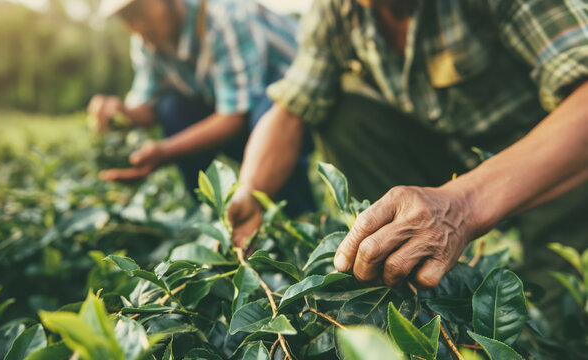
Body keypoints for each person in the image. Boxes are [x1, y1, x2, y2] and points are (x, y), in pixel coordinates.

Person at [228, 0, 588, 294]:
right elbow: (293, 105)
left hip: (550, 159)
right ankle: (407, 272)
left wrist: (463, 204)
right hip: (450, 156)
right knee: (345, 115)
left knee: (557, 309)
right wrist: (248, 193)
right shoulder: (339, 10)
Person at [89, 0, 316, 215]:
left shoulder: (223, 16)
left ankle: (297, 213)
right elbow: (148, 104)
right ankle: (209, 214)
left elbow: (236, 114)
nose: (136, 26)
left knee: (268, 110)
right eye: (127, 18)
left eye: (140, 11)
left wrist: (165, 152)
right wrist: (122, 113)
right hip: (241, 112)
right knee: (171, 107)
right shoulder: (148, 40)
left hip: (303, 108)